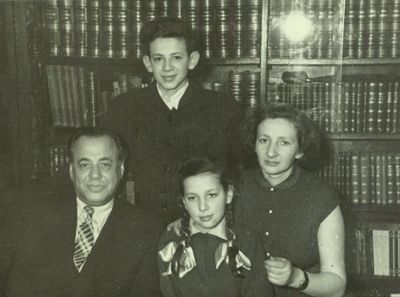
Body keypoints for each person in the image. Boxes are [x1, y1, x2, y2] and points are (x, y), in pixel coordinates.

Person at [105, 17, 243, 225]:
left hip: (202, 225)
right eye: (158, 59)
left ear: (192, 60)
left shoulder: (223, 108)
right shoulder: (124, 107)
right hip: (141, 225)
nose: (167, 67)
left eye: (176, 58)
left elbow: (236, 173)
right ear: (148, 63)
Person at [0, 127, 162, 297]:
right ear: (71, 171)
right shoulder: (29, 215)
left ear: (120, 170)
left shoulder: (146, 231)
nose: (95, 175)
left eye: (105, 164)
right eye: (85, 164)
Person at [235, 103, 346, 297]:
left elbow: (337, 286)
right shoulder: (233, 187)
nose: (271, 152)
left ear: (300, 151)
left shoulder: (321, 196)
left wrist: (296, 277)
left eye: (283, 142)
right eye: (264, 140)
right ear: (254, 144)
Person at [158, 156, 274, 297]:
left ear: (228, 195)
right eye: (192, 198)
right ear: (184, 202)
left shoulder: (247, 240)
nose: (203, 207)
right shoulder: (170, 241)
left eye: (211, 195)